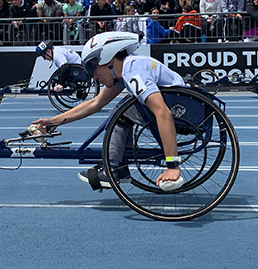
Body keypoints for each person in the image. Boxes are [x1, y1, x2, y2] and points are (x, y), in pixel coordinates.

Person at [30, 32, 188, 189]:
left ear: (108, 58)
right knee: (124, 110)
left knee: (120, 114)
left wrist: (172, 166)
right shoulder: (127, 68)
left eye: (93, 67)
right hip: (182, 108)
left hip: (182, 113)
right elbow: (95, 103)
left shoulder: (133, 71)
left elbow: (163, 113)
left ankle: (112, 170)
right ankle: (120, 167)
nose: (94, 76)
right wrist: (54, 121)